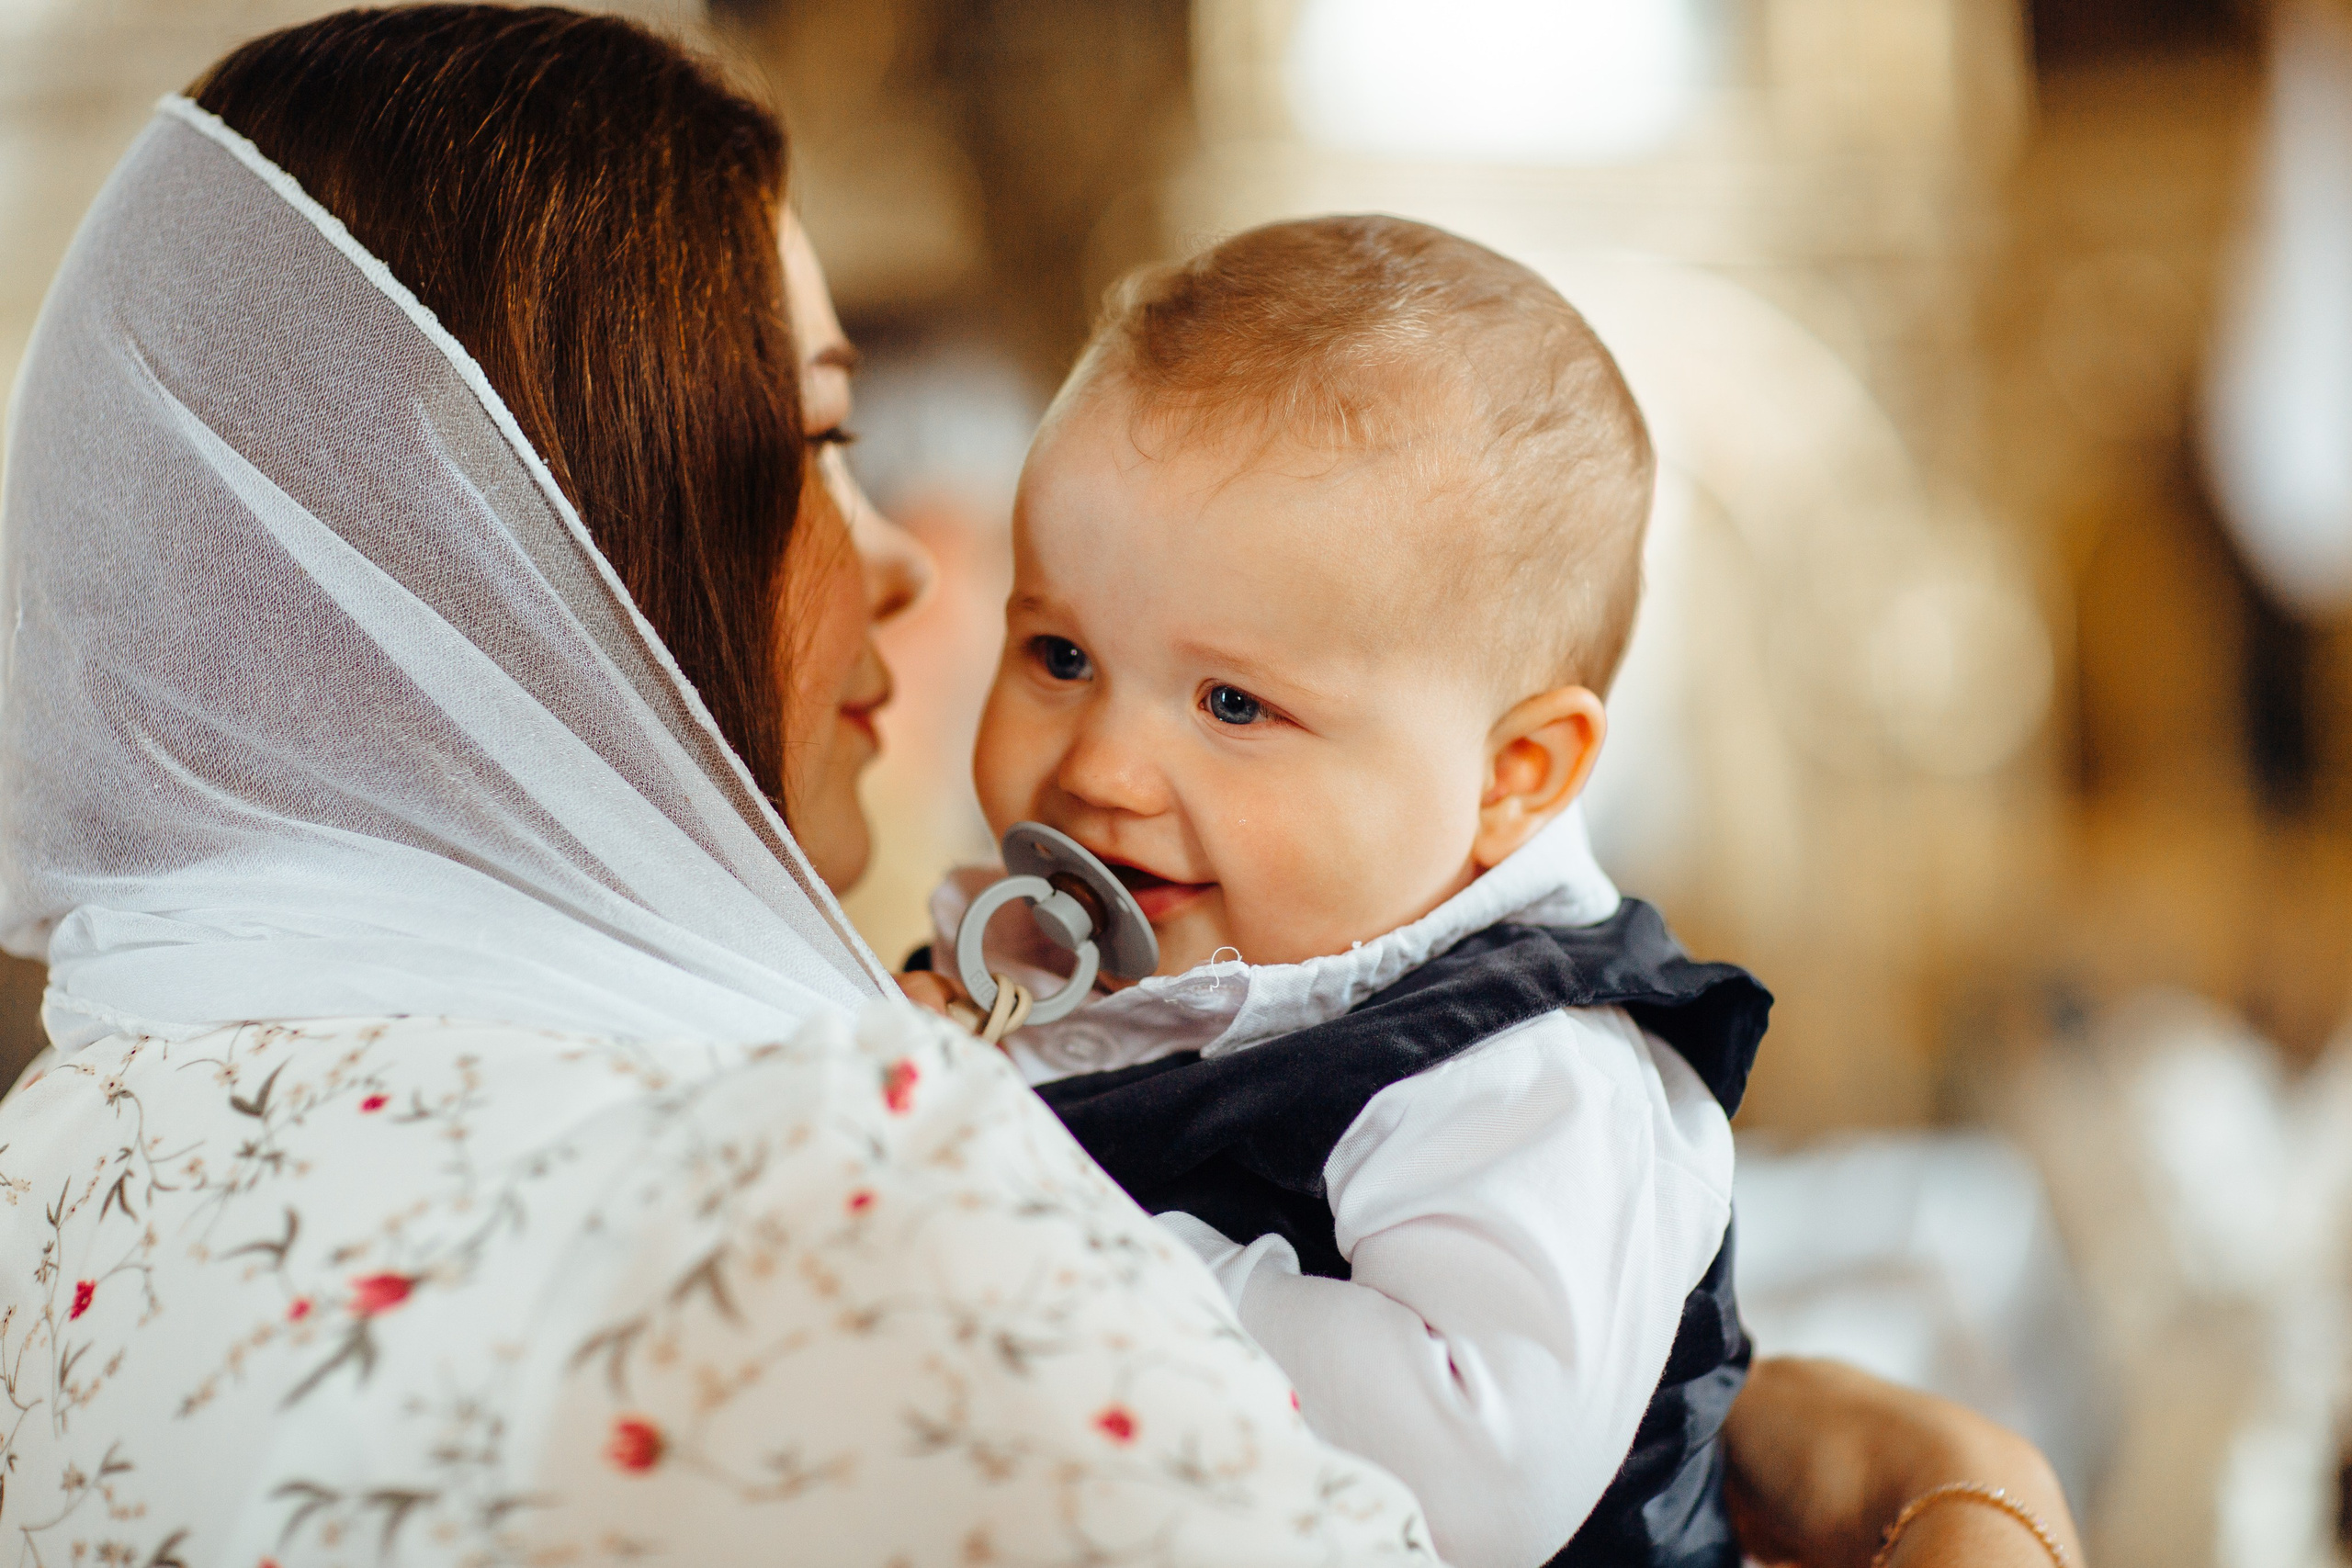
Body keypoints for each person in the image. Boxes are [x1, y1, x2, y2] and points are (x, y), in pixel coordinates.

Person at [0, 6, 2081, 1566]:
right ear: (556, 558)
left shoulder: (100, 1121)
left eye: (1238, 701)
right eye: (816, 446)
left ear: (1511, 776)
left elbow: (1487, 1413)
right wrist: (1938, 1478)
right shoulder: (845, 1188)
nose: (909, 562)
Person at [903, 216, 1759, 1568]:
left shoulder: (1521, 1070)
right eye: (1061, 656)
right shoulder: (1073, 957)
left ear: (1514, 776)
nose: (1102, 767)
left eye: (1235, 705)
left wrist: (1028, 1217)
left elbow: (1479, 1474)